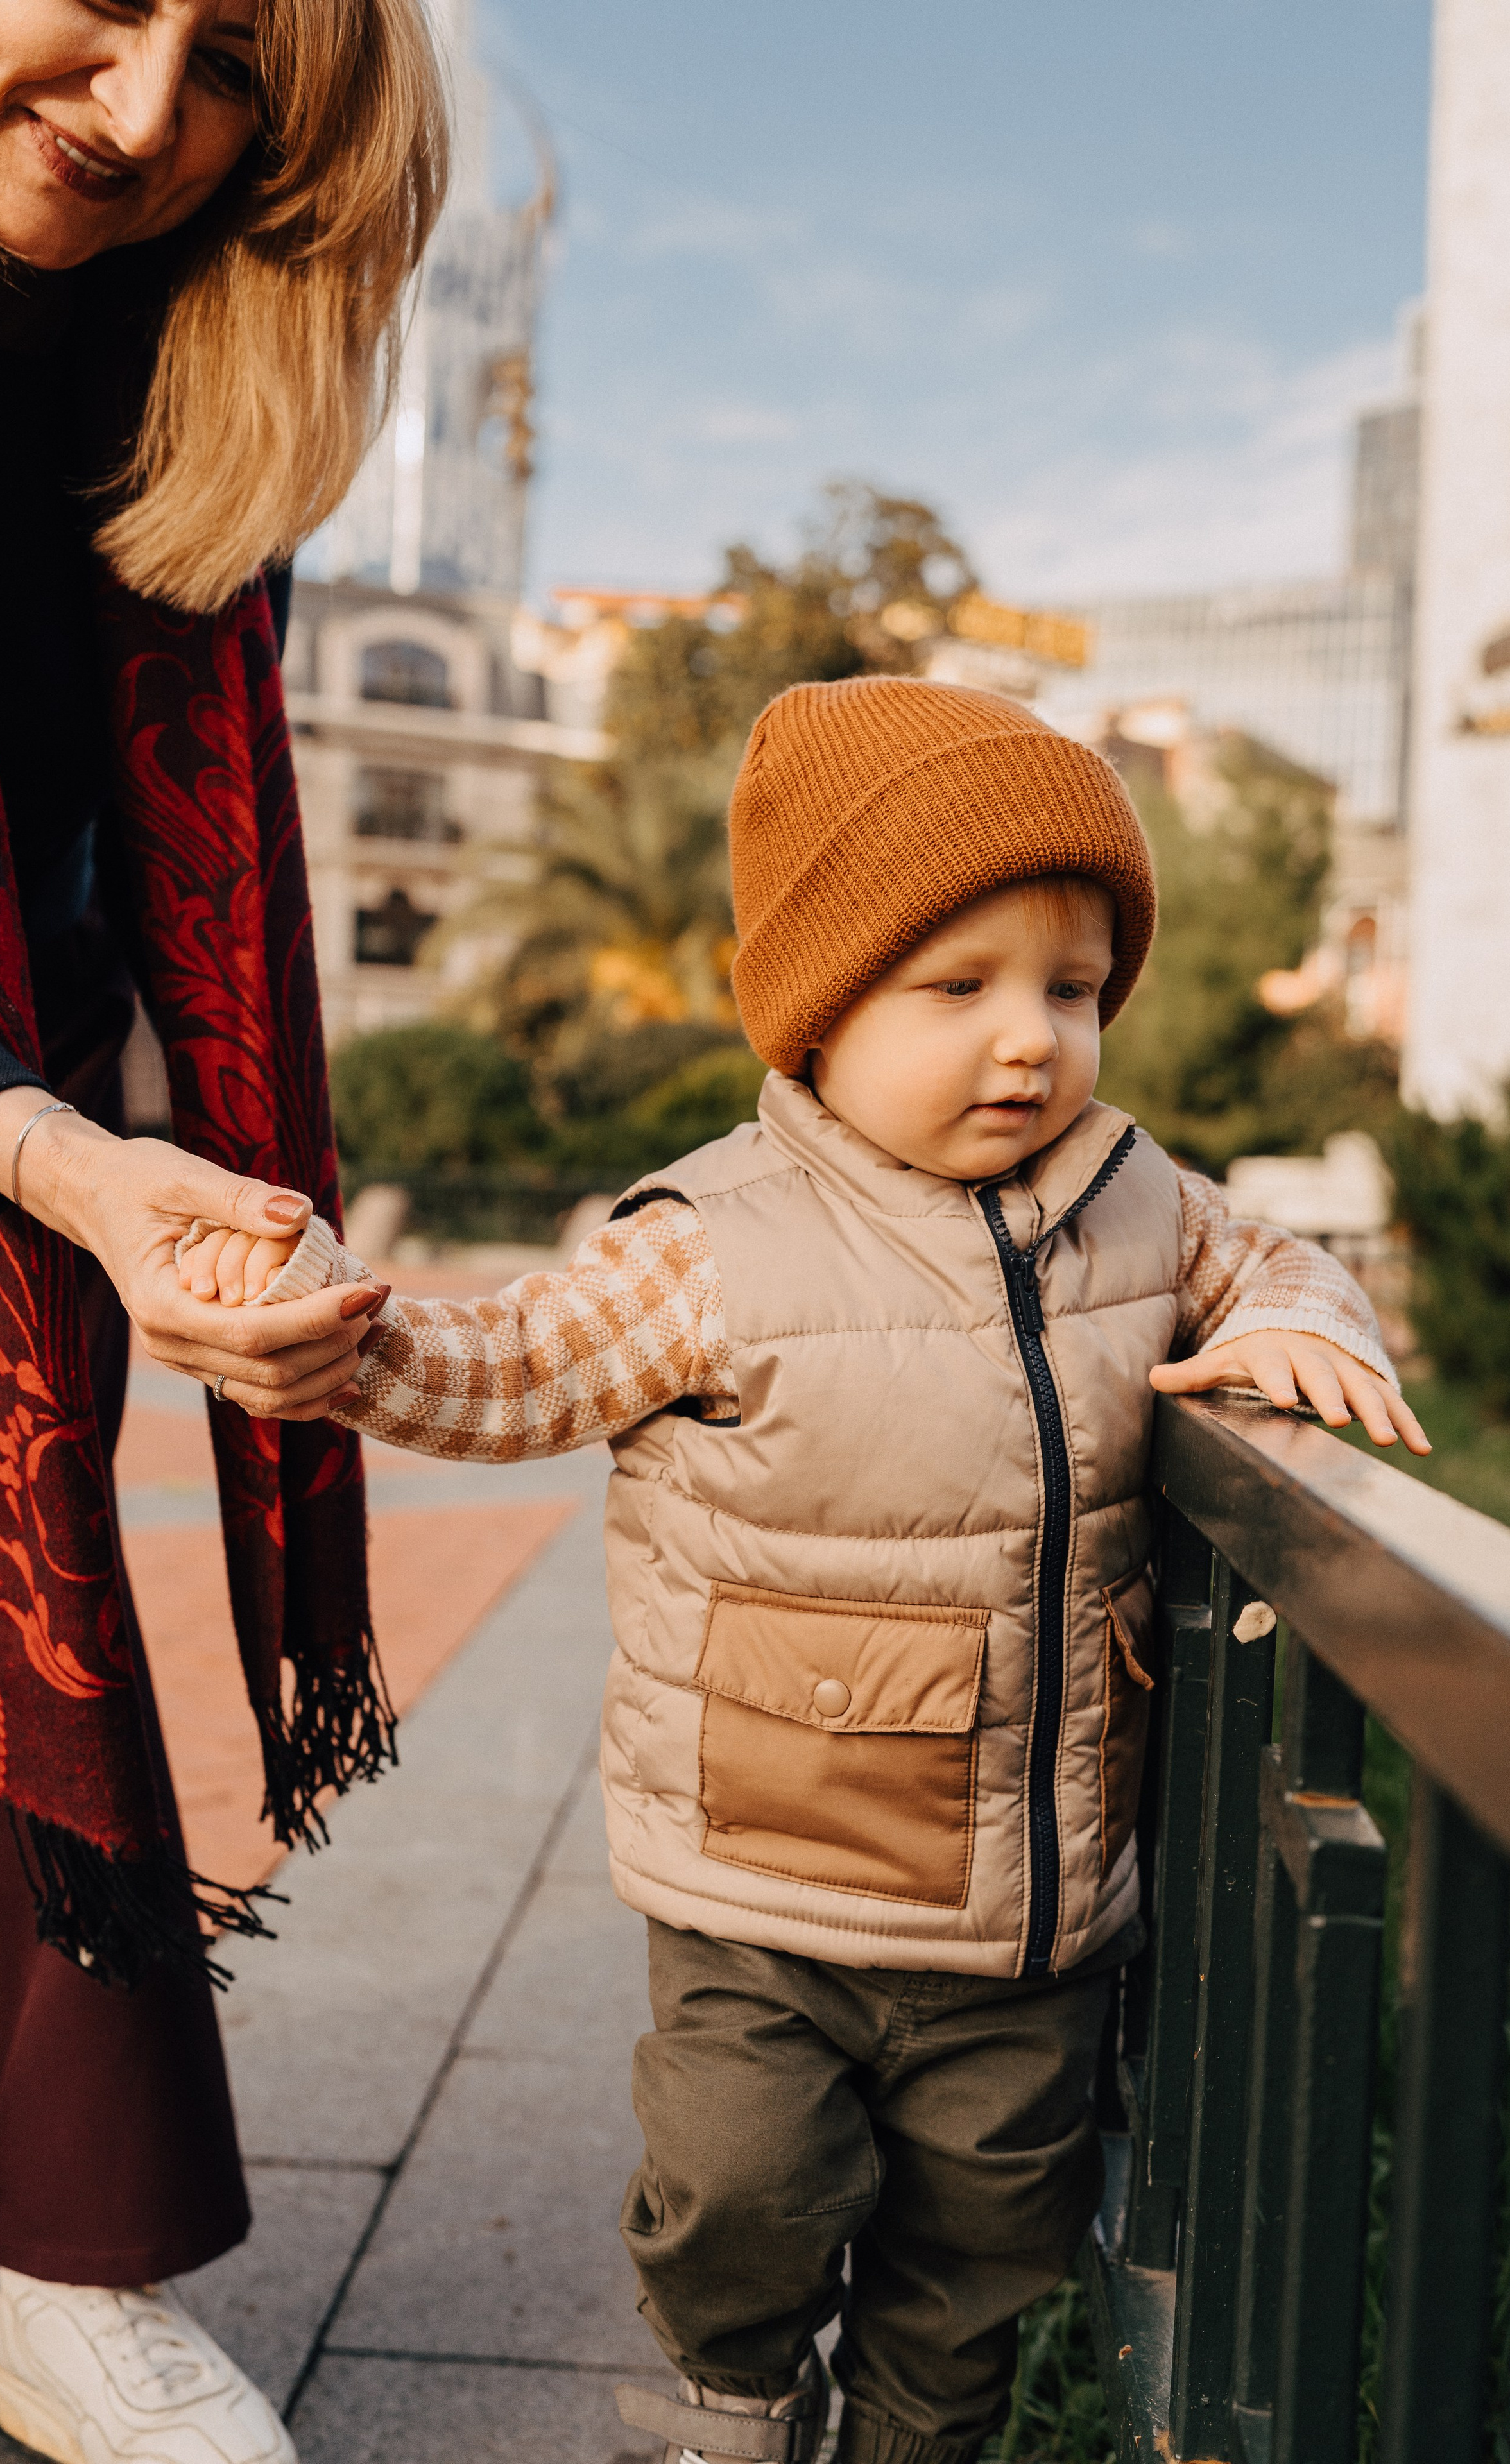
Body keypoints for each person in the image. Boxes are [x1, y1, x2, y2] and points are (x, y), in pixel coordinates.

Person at [184, 679, 1427, 2464]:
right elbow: (511, 1362)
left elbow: (1282, 1263)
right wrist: (343, 1344)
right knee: (740, 2187)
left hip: (1033, 1903)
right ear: (821, 1011)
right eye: (961, 987)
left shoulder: (1145, 1200)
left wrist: (1303, 1329)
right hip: (768, 1879)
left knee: (989, 2245)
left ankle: (915, 2441)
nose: (1031, 1043)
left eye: (1071, 992)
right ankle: (735, 2402)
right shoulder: (712, 1243)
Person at [0, 0, 445, 2458]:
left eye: (227, 63)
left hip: (7, 1133)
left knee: (23, 1644)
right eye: (103, 3)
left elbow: (125, 855)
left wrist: (176, 1198)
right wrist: (63, 1152)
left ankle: (80, 2281)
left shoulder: (176, 367)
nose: (137, 110)